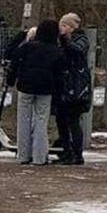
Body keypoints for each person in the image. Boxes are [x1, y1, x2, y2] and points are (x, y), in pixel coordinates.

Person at [12, 18, 63, 166]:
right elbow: (59, 73)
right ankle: (40, 157)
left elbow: (14, 57)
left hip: (26, 86)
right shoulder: (56, 51)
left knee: (23, 121)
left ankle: (23, 155)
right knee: (41, 122)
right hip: (46, 89)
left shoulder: (28, 47)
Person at [56, 12, 92, 166]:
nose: (61, 29)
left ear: (70, 27)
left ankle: (77, 153)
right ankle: (66, 151)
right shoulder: (62, 42)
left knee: (73, 120)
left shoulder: (81, 39)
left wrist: (65, 40)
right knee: (61, 120)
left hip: (76, 87)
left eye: (64, 26)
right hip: (65, 86)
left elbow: (76, 51)